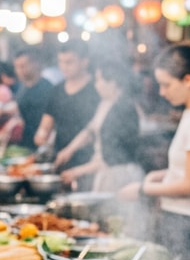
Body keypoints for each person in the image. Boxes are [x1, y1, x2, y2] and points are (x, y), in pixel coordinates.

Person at [123, 45, 190, 260]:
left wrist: (143, 189)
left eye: (166, 84)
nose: (162, 92)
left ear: (188, 80)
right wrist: (161, 175)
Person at [55, 60, 142, 192]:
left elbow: (113, 157)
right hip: (105, 172)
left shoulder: (124, 110)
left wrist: (77, 171)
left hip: (119, 176)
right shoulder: (106, 103)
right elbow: (90, 131)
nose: (96, 85)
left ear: (113, 82)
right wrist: (69, 149)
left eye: (99, 80)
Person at [34, 43, 99, 175]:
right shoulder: (57, 90)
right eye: (61, 62)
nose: (64, 67)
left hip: (90, 161)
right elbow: (46, 124)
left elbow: (95, 129)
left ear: (84, 62)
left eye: (69, 62)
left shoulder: (97, 89)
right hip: (62, 158)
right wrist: (41, 136)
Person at [13, 48, 53, 147]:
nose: (19, 70)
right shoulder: (20, 87)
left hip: (42, 141)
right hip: (25, 140)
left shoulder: (47, 88)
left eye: (23, 66)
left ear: (34, 64)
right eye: (17, 67)